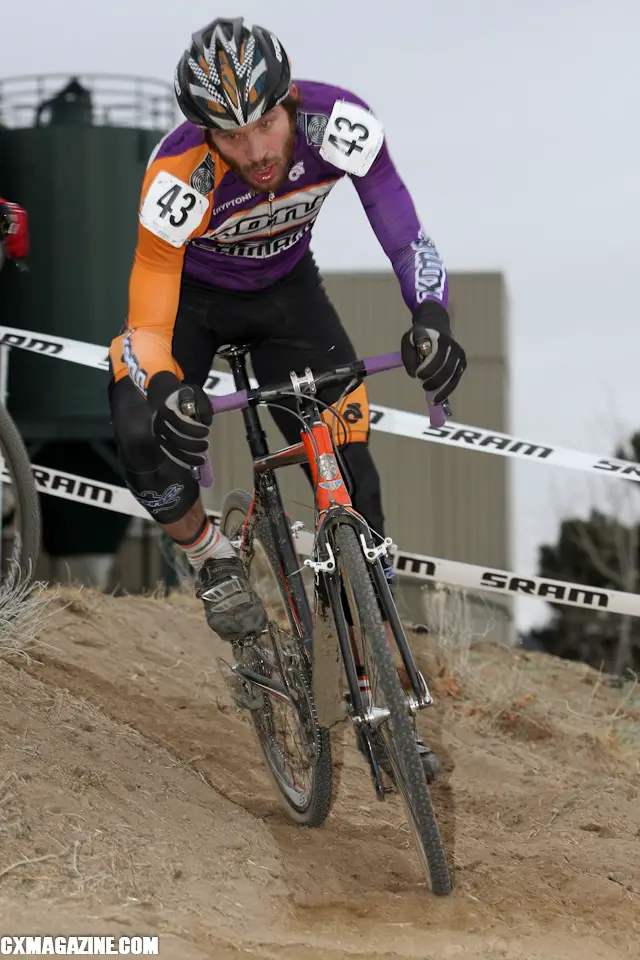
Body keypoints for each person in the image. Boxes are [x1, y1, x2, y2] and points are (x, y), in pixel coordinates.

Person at [108, 16, 466, 645]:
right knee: (139, 427)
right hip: (191, 304)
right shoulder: (178, 175)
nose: (258, 153)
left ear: (288, 98)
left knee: (357, 480)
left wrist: (432, 318)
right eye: (233, 137)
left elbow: (408, 237)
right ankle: (208, 555)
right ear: (206, 132)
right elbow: (144, 324)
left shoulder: (338, 123)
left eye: (266, 125)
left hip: (286, 293)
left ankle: (380, 684)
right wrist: (166, 388)